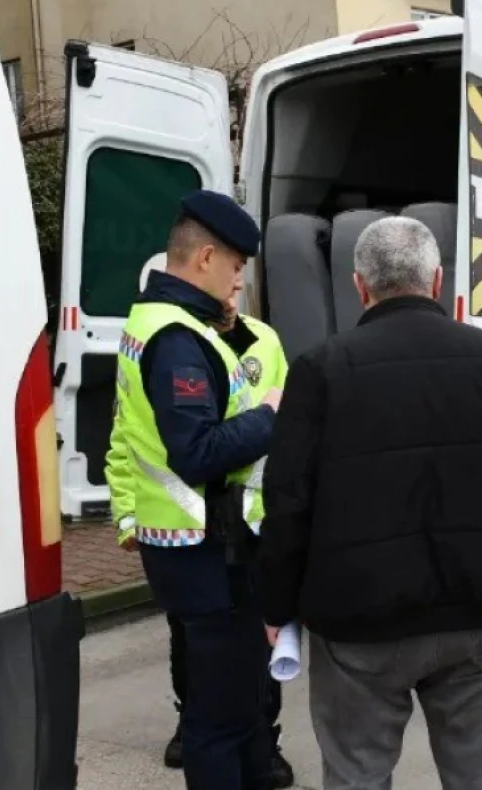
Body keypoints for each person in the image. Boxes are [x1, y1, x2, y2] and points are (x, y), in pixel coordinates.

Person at [258, 216, 482, 790]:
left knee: (356, 775)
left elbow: (287, 502)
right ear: (436, 281)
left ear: (360, 286)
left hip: (360, 622)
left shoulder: (320, 369)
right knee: (478, 778)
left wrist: (278, 606)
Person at [105, 190, 287, 790]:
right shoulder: (178, 340)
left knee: (240, 709)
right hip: (208, 555)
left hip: (198, 547)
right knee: (222, 721)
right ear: (206, 257)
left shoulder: (163, 323)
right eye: (236, 267)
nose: (238, 282)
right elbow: (197, 452)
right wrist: (271, 415)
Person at [159, 290, 296, 788]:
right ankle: (190, 714)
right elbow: (130, 440)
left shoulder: (265, 341)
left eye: (240, 285)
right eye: (227, 281)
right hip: (192, 526)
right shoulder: (180, 345)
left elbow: (288, 421)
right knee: (193, 646)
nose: (231, 294)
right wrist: (129, 517)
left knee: (263, 639)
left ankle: (265, 737)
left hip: (255, 518)